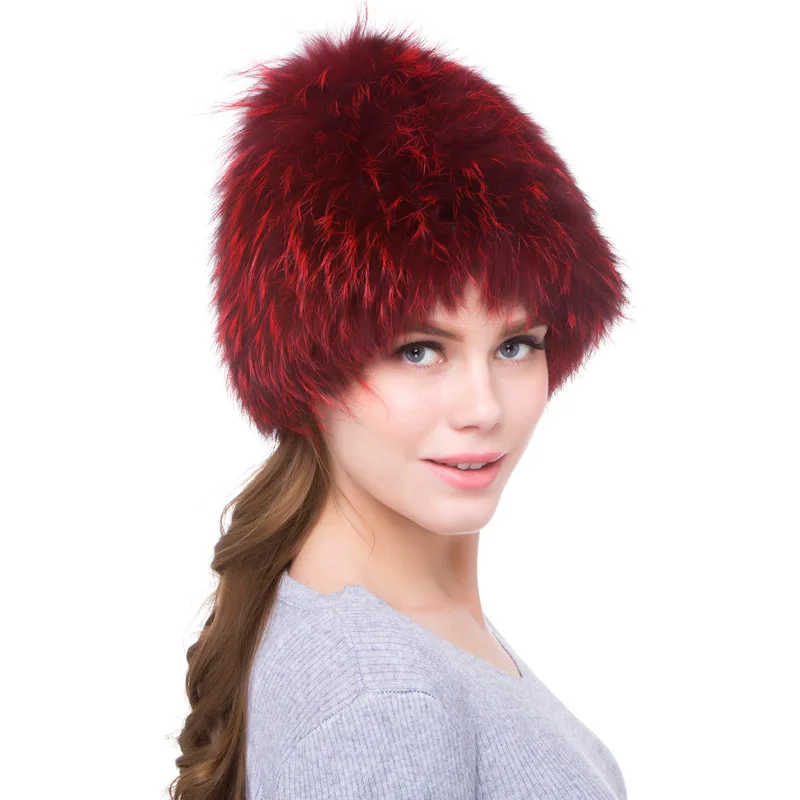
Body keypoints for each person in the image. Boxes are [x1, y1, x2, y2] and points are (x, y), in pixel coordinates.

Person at [170, 10, 631, 800]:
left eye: (517, 344)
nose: (483, 408)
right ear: (307, 366)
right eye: (419, 349)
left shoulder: (409, 631)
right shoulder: (381, 702)